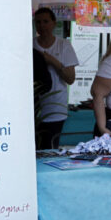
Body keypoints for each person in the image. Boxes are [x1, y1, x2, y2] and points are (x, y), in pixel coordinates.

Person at [33, 8, 78, 150]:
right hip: (34, 110)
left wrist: (51, 60)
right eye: (38, 22)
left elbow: (70, 79)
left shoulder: (64, 45)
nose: (42, 26)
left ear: (54, 23)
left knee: (50, 149)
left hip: (55, 109)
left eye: (46, 21)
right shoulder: (29, 45)